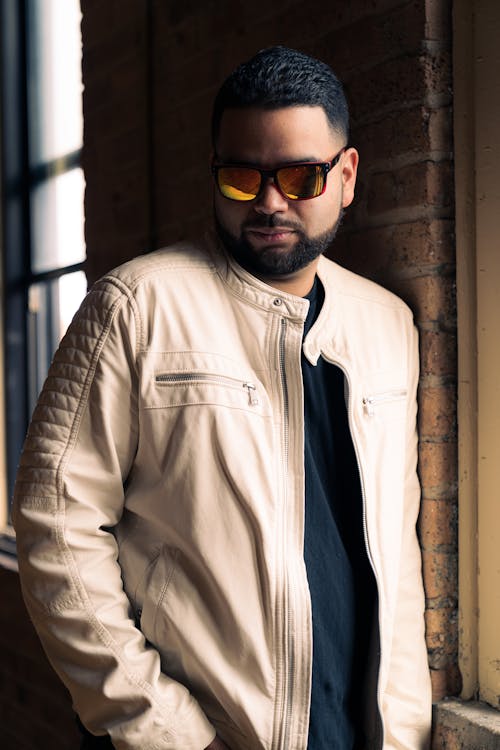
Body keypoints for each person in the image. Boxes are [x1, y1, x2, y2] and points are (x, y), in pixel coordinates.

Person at [13, 46, 432, 750]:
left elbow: (400, 546)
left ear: (347, 175)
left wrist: (408, 729)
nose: (270, 202)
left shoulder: (388, 324)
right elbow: (55, 526)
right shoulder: (136, 306)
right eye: (243, 177)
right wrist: (166, 732)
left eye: (301, 176)